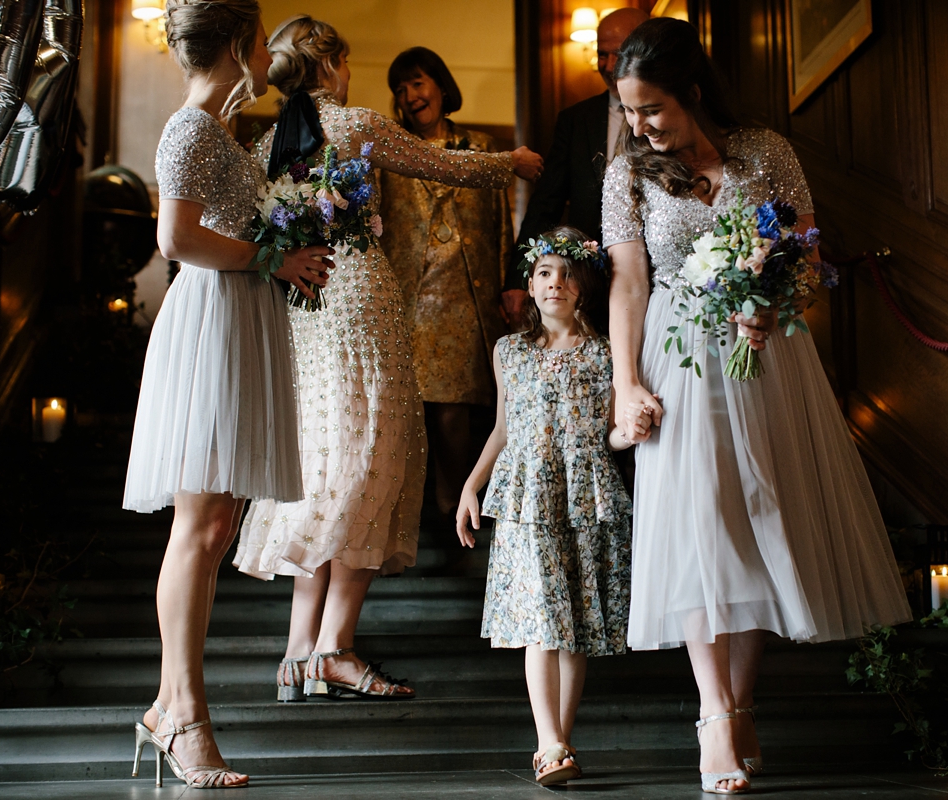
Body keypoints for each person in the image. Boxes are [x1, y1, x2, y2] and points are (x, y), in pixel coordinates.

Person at [603, 18, 913, 795]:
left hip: (766, 356)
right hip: (677, 356)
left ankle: (740, 705)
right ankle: (711, 716)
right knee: (701, 521)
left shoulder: (766, 151)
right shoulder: (627, 175)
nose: (640, 127)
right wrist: (625, 382)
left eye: (653, 111)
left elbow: (805, 247)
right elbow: (629, 285)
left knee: (753, 516)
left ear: (693, 92)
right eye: (629, 111)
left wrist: (777, 299)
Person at [232, 15, 543, 705]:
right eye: (344, 60)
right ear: (333, 63)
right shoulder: (349, 123)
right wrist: (510, 164)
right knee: (370, 460)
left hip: (306, 313)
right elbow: (443, 163)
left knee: (324, 464)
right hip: (361, 304)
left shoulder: (271, 143)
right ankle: (334, 649)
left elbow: (237, 224)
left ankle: (297, 655)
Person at [122, 0, 334, 789]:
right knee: (199, 522)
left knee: (214, 528)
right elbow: (174, 239)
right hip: (211, 319)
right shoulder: (189, 129)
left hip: (239, 316)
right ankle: (182, 714)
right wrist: (274, 261)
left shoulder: (220, 128)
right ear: (244, 44)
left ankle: (167, 703)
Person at [456, 227, 638, 787]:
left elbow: (610, 430)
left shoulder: (606, 353)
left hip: (584, 491)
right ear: (530, 287)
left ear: (582, 287)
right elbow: (504, 428)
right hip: (528, 491)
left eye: (565, 274)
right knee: (542, 619)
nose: (554, 282)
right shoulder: (508, 351)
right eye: (543, 273)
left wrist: (627, 437)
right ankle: (548, 742)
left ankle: (561, 741)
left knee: (573, 622)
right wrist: (471, 485)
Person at [379, 47, 521, 524]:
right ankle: (405, 519)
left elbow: (504, 228)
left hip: (464, 295)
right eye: (400, 90)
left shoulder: (483, 150)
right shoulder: (390, 152)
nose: (410, 96)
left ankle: (452, 508)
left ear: (440, 85)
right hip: (407, 297)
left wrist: (509, 287)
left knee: (453, 414)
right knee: (406, 414)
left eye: (417, 83)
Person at [513, 7, 649, 263]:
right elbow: (546, 204)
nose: (609, 66)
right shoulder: (575, 120)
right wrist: (518, 279)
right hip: (588, 273)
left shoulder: (670, 117)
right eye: (601, 55)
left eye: (618, 55)